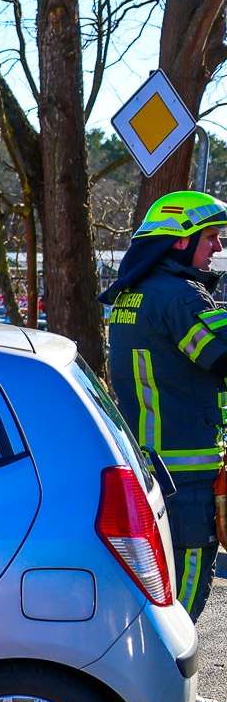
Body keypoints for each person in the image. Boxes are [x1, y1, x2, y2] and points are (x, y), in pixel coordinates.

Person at [106, 190, 227, 649]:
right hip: (183, 467)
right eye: (210, 237)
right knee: (188, 574)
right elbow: (216, 354)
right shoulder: (179, 296)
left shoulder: (134, 295)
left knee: (154, 579)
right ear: (179, 241)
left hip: (151, 461)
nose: (216, 248)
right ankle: (174, 683)